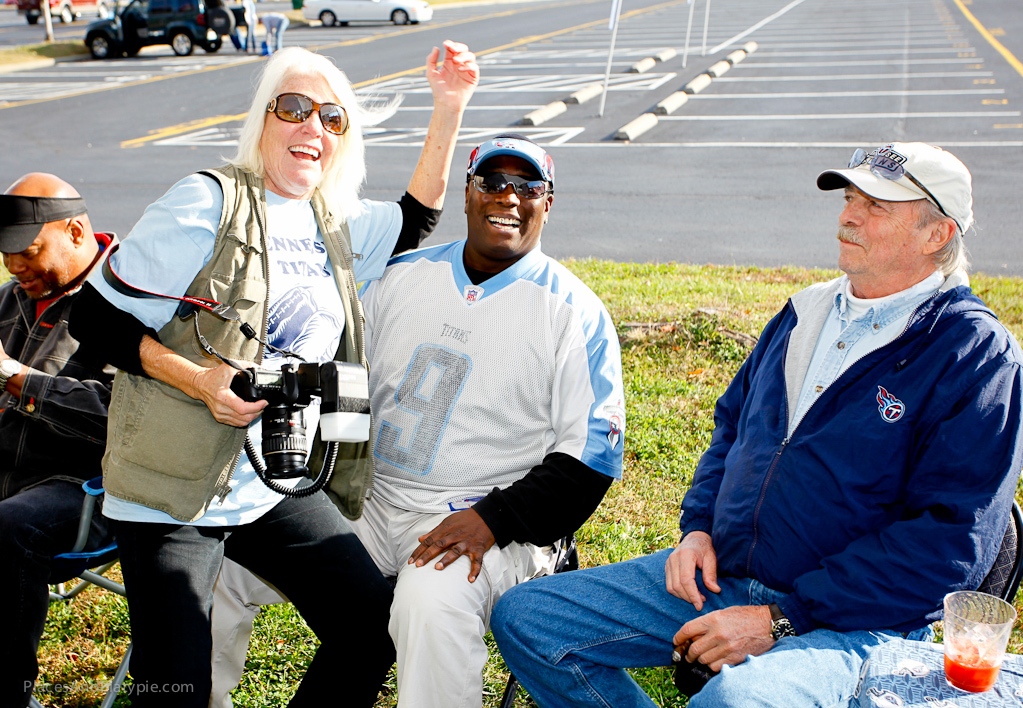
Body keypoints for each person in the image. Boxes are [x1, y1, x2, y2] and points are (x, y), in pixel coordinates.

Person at [490, 142, 1023, 708]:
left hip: (856, 622)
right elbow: (731, 431)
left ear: (937, 234)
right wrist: (696, 529)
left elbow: (948, 541)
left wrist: (782, 618)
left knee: (735, 702)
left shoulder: (974, 355)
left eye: (877, 206)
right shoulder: (803, 311)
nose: (848, 215)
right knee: (528, 619)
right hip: (727, 577)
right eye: (849, 198)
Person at [68, 42, 479, 708]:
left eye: (332, 117)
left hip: (269, 480)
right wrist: (195, 379)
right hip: (173, 488)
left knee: (370, 630)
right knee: (176, 688)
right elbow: (93, 318)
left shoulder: (334, 220)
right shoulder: (206, 202)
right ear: (262, 118)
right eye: (293, 108)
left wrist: (449, 104)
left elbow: (415, 216)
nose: (311, 127)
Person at [213, 135, 626, 708]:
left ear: (547, 203)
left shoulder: (575, 312)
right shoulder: (398, 276)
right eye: (492, 182)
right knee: (228, 565)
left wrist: (494, 518)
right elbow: (342, 382)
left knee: (430, 599)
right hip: (370, 500)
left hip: (479, 514)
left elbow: (589, 463)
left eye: (528, 186)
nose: (508, 196)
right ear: (467, 194)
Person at [0, 173, 117, 708]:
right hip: (9, 478)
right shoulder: (11, 300)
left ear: (76, 231)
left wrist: (20, 380)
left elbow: (120, 418)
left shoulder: (127, 301)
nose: (14, 266)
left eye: (27, 251)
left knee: (11, 524)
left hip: (85, 489)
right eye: (5, 254)